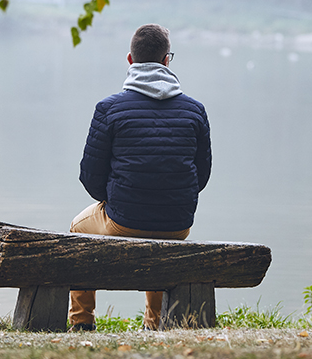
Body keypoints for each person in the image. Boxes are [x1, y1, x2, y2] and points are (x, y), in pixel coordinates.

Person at [68, 24, 212, 331]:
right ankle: (155, 323)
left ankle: (81, 321)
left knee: (77, 228)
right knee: (158, 229)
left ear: (130, 60)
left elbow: (90, 177)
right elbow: (202, 176)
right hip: (178, 224)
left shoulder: (109, 108)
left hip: (123, 220)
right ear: (167, 60)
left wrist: (118, 195)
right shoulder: (195, 111)